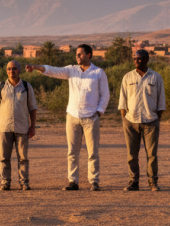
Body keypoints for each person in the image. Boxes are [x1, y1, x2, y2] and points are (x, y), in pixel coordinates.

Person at [26, 44, 109, 191]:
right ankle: (73, 181)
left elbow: (105, 95)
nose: (77, 57)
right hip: (72, 116)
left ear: (89, 55)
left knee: (93, 152)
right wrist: (36, 66)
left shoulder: (98, 72)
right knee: (72, 151)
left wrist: (98, 112)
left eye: (80, 54)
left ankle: (94, 181)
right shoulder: (71, 70)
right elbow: (53, 70)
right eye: (76, 54)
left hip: (91, 117)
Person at [118, 49, 165, 192]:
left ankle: (153, 182)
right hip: (131, 121)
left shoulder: (156, 77)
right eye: (134, 59)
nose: (136, 61)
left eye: (139, 59)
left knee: (152, 154)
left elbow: (161, 102)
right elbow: (123, 101)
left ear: (146, 60)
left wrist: (156, 119)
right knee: (132, 154)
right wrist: (125, 119)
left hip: (151, 121)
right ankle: (133, 182)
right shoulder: (127, 77)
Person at [0, 60, 37, 191]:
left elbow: (33, 108)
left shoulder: (27, 87)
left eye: (15, 68)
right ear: (6, 71)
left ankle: (24, 182)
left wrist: (32, 126)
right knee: (4, 158)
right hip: (4, 127)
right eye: (9, 69)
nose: (12, 71)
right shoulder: (0, 87)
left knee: (23, 158)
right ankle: (5, 182)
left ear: (19, 70)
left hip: (22, 127)